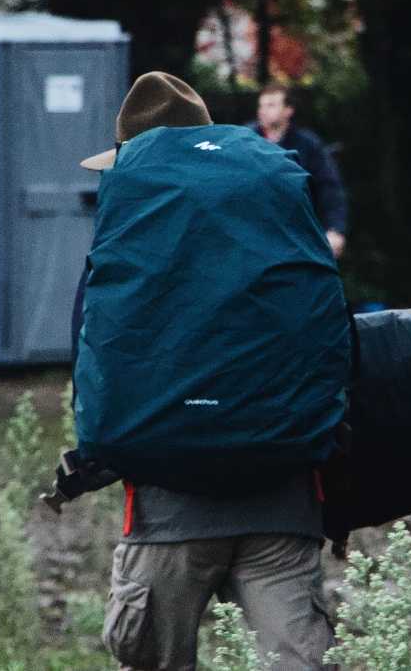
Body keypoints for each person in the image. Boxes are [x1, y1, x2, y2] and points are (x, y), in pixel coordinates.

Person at [77, 72, 336, 671]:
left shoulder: (127, 252)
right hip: (282, 504)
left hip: (169, 514)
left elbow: (99, 375)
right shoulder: (277, 227)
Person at [251, 83, 348, 258]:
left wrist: (335, 229)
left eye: (271, 105)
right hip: (255, 233)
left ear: (288, 110)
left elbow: (329, 188)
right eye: (261, 105)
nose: (262, 111)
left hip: (297, 235)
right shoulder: (245, 140)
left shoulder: (308, 144)